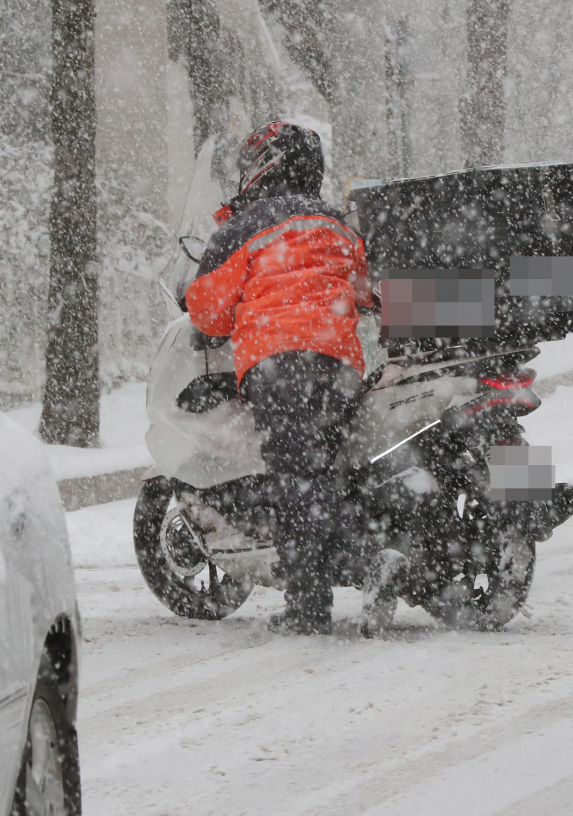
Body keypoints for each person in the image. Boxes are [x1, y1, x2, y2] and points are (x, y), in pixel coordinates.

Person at [184, 122, 399, 636]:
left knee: (295, 483)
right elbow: (370, 291)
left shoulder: (245, 226)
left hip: (280, 364)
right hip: (338, 362)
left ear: (265, 166)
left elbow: (208, 311)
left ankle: (340, 584)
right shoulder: (338, 225)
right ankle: (328, 584)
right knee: (325, 475)